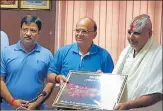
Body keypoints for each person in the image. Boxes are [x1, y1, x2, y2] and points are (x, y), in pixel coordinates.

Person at [0, 15, 53, 110]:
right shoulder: (6, 52)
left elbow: (50, 83)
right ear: (20, 31)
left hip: (36, 108)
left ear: (39, 33)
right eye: (25, 29)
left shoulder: (47, 54)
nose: (28, 33)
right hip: (8, 107)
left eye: (33, 30)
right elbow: (1, 80)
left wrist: (36, 104)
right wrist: (13, 102)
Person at [113, 14, 162, 110]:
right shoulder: (126, 52)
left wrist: (129, 105)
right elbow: (117, 79)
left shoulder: (159, 55)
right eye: (129, 32)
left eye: (137, 33)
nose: (131, 37)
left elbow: (158, 93)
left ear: (149, 34)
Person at [48, 17, 114, 79]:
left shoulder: (104, 56)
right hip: (67, 91)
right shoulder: (63, 51)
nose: (79, 34)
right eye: (77, 30)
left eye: (84, 31)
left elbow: (111, 80)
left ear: (94, 35)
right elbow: (50, 74)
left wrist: (102, 78)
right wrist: (58, 78)